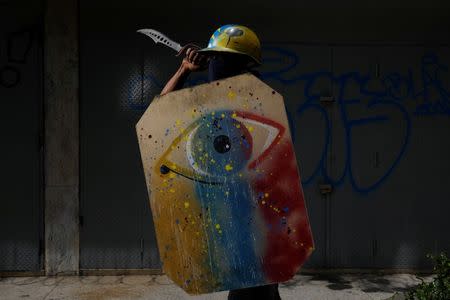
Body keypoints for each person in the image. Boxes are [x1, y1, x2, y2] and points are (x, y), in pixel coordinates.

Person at [160, 24, 281, 300]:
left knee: (255, 288)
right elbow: (161, 112)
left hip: (253, 217)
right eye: (212, 59)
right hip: (226, 214)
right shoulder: (214, 101)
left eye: (219, 59)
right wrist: (184, 70)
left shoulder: (257, 100)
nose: (214, 65)